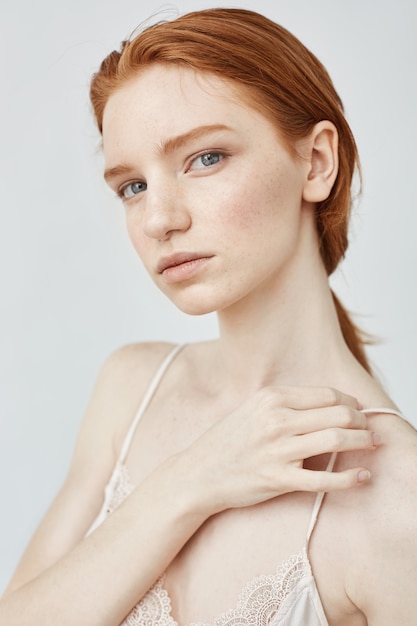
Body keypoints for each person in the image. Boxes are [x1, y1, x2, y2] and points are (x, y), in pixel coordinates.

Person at [1, 7, 416, 625]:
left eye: (206, 158)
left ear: (316, 162)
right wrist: (188, 482)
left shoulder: (394, 497)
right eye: (132, 186)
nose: (159, 220)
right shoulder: (132, 389)